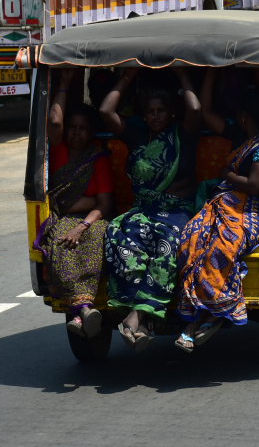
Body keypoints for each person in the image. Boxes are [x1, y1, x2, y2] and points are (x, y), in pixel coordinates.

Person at [99, 67, 201, 352]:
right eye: (150, 111)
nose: (156, 115)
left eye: (161, 110)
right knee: (118, 233)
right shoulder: (137, 137)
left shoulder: (183, 135)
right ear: (144, 115)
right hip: (145, 210)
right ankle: (142, 323)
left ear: (170, 112)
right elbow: (106, 111)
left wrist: (181, 73)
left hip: (176, 212)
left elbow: (195, 107)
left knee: (166, 244)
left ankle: (137, 315)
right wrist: (129, 74)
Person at [174, 78, 259, 352]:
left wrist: (227, 174)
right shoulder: (241, 137)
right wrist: (211, 74)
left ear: (244, 116)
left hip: (247, 212)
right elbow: (205, 114)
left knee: (220, 249)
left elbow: (254, 185)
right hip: (222, 205)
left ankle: (203, 318)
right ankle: (204, 315)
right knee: (191, 240)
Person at [34, 69, 114, 339]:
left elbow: (104, 204)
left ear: (92, 133)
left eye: (83, 129)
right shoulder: (58, 151)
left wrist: (81, 225)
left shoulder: (97, 158)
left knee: (93, 240)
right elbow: (53, 122)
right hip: (61, 219)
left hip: (91, 220)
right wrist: (65, 83)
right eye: (73, 128)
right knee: (59, 245)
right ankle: (84, 309)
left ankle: (80, 314)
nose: (77, 133)